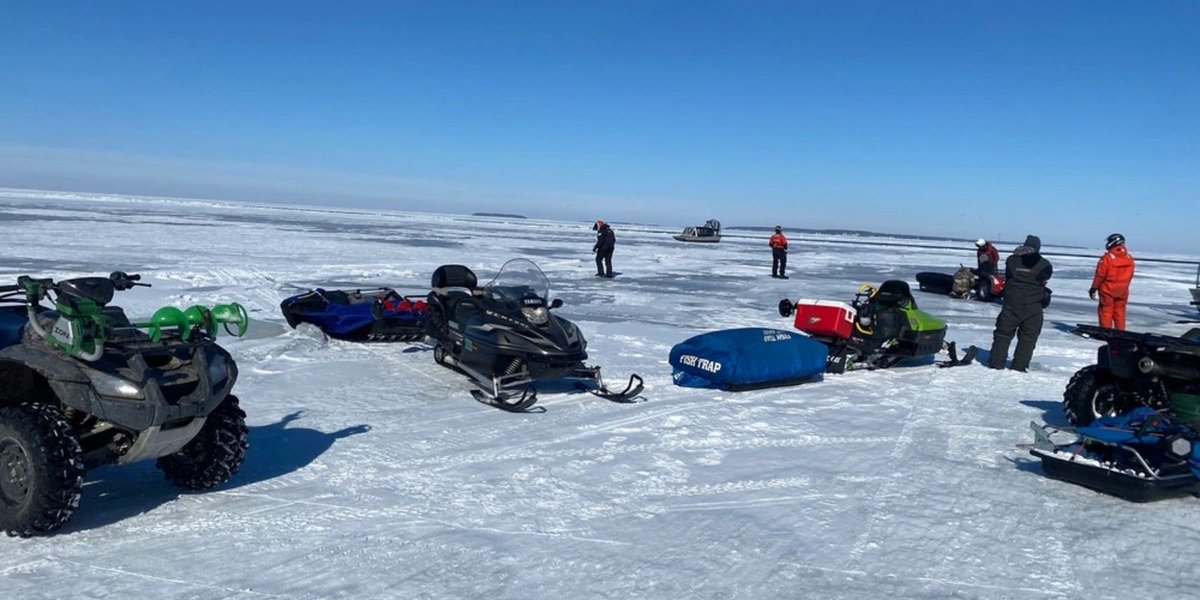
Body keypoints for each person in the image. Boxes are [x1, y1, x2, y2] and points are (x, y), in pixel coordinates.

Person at [988, 235, 1052, 372]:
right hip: (1033, 306)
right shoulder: (1044, 264)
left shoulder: (1012, 260)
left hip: (1011, 303)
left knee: (1003, 334)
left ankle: (996, 363)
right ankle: (1019, 367)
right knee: (1028, 339)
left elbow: (1009, 275)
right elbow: (1045, 278)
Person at [1090, 233, 1135, 330]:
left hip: (1107, 290)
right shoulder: (1129, 258)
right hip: (1123, 290)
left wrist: (1093, 288)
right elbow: (1131, 274)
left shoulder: (1107, 258)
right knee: (1120, 311)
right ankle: (1120, 331)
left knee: (1106, 310)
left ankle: (1106, 332)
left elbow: (1100, 275)